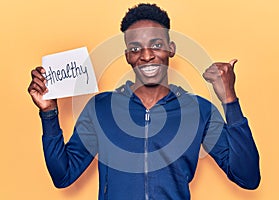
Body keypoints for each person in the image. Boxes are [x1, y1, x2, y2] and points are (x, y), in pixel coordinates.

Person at [28, 3, 260, 200]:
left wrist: (229, 99)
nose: (146, 55)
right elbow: (64, 175)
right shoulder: (101, 108)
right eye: (135, 48)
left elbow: (247, 177)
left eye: (156, 45)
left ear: (171, 49)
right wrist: (49, 113)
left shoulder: (199, 110)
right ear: (128, 55)